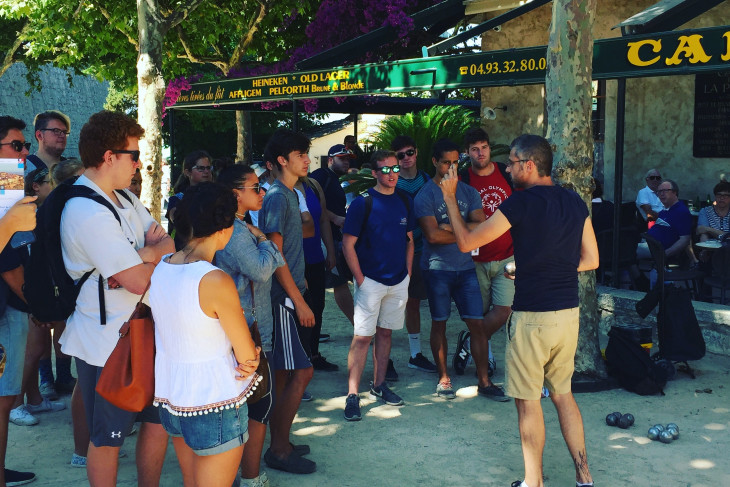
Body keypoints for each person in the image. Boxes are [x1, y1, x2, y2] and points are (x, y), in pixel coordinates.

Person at [439, 134, 598, 487]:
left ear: (529, 164)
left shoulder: (519, 203)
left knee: (527, 402)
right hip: (567, 314)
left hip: (531, 319)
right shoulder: (574, 201)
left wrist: (450, 197)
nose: (507, 168)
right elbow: (591, 259)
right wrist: (543, 268)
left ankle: (533, 482)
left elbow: (466, 242)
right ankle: (584, 478)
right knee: (563, 395)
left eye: (511, 162)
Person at [59, 110, 174, 487]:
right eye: (133, 155)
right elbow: (141, 280)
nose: (139, 163)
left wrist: (140, 256)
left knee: (157, 424)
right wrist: (146, 256)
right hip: (107, 342)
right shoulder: (85, 209)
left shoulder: (124, 198)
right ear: (109, 156)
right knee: (108, 438)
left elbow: (169, 247)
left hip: (143, 331)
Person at [150, 182, 260, 487]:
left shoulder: (161, 267)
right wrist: (253, 358)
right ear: (225, 229)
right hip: (214, 399)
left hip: (173, 395)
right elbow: (246, 353)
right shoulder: (215, 279)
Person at [415, 139, 503, 400]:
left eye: (455, 163)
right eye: (446, 162)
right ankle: (444, 379)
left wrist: (448, 228)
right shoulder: (425, 195)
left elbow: (482, 226)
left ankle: (484, 382)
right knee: (439, 323)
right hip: (437, 268)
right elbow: (432, 236)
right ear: (434, 162)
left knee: (476, 324)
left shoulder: (468, 192)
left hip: (466, 268)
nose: (452, 168)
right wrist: (463, 230)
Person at [215, 165, 286, 487]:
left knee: (252, 404)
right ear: (235, 194)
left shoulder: (241, 227)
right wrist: (268, 241)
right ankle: (251, 478)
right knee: (257, 405)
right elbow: (261, 270)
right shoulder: (237, 232)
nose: (262, 192)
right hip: (247, 329)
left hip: (248, 325)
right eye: (255, 187)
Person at [258, 129, 316, 474]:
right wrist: (299, 298)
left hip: (291, 294)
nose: (307, 158)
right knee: (302, 372)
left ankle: (282, 440)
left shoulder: (291, 193)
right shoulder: (278, 196)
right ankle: (278, 450)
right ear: (283, 160)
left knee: (282, 375)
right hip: (282, 300)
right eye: (300, 153)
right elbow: (273, 252)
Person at [342, 150, 415, 422]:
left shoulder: (405, 200)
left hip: (398, 282)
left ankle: (379, 385)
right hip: (370, 281)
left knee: (386, 334)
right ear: (373, 173)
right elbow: (348, 244)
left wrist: (407, 274)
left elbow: (409, 240)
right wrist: (360, 279)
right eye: (385, 170)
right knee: (362, 338)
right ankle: (352, 395)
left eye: (395, 168)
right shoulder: (363, 203)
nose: (392, 174)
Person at [453, 127, 514, 395]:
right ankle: (484, 358)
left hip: (507, 255)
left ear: (490, 148)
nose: (480, 153)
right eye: (474, 149)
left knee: (504, 310)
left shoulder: (506, 173)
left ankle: (470, 342)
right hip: (475, 258)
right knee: (478, 314)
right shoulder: (463, 179)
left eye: (484, 147)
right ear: (467, 153)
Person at [9, 169, 67, 428]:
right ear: (35, 186)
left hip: (32, 295)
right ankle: (15, 405)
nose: (54, 187)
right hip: (20, 299)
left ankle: (33, 399)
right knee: (32, 352)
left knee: (39, 348)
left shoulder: (41, 215)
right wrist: (33, 302)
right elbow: (15, 266)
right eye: (49, 183)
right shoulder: (21, 218)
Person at [0, 115, 37, 487]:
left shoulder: (8, 184)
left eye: (25, 146)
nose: (24, 153)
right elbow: (8, 258)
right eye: (16, 146)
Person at [391, 135, 436, 377]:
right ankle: (384, 361)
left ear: (416, 153)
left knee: (415, 303)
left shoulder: (428, 180)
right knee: (387, 304)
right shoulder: (392, 181)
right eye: (401, 155)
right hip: (397, 252)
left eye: (409, 153)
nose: (406, 158)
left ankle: (415, 354)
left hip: (423, 251)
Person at [309, 144, 356, 328]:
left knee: (342, 280)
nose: (346, 161)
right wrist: (334, 217)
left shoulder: (334, 179)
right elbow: (310, 202)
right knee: (340, 282)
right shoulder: (321, 175)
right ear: (330, 160)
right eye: (341, 158)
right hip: (323, 240)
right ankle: (359, 325)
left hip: (334, 238)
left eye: (348, 158)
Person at [296, 176, 338, 371]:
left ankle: (313, 354)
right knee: (298, 310)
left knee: (318, 306)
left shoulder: (313, 185)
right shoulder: (278, 190)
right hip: (294, 259)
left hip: (315, 256)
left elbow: (322, 220)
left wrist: (330, 251)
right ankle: (299, 360)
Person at [166, 150, 214, 249]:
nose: (206, 172)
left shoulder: (217, 196)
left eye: (208, 168)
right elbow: (176, 219)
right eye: (200, 168)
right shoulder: (177, 198)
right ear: (187, 172)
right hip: (184, 251)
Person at [637, 179, 693, 261]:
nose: (661, 194)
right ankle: (636, 273)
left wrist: (664, 254)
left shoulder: (681, 211)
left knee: (623, 250)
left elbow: (685, 240)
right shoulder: (665, 210)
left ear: (675, 193)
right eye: (659, 192)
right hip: (646, 242)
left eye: (665, 191)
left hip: (656, 248)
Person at [25, 110, 70, 175]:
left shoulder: (72, 169)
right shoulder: (22, 167)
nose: (62, 135)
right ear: (39, 135)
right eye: (56, 130)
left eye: (64, 132)